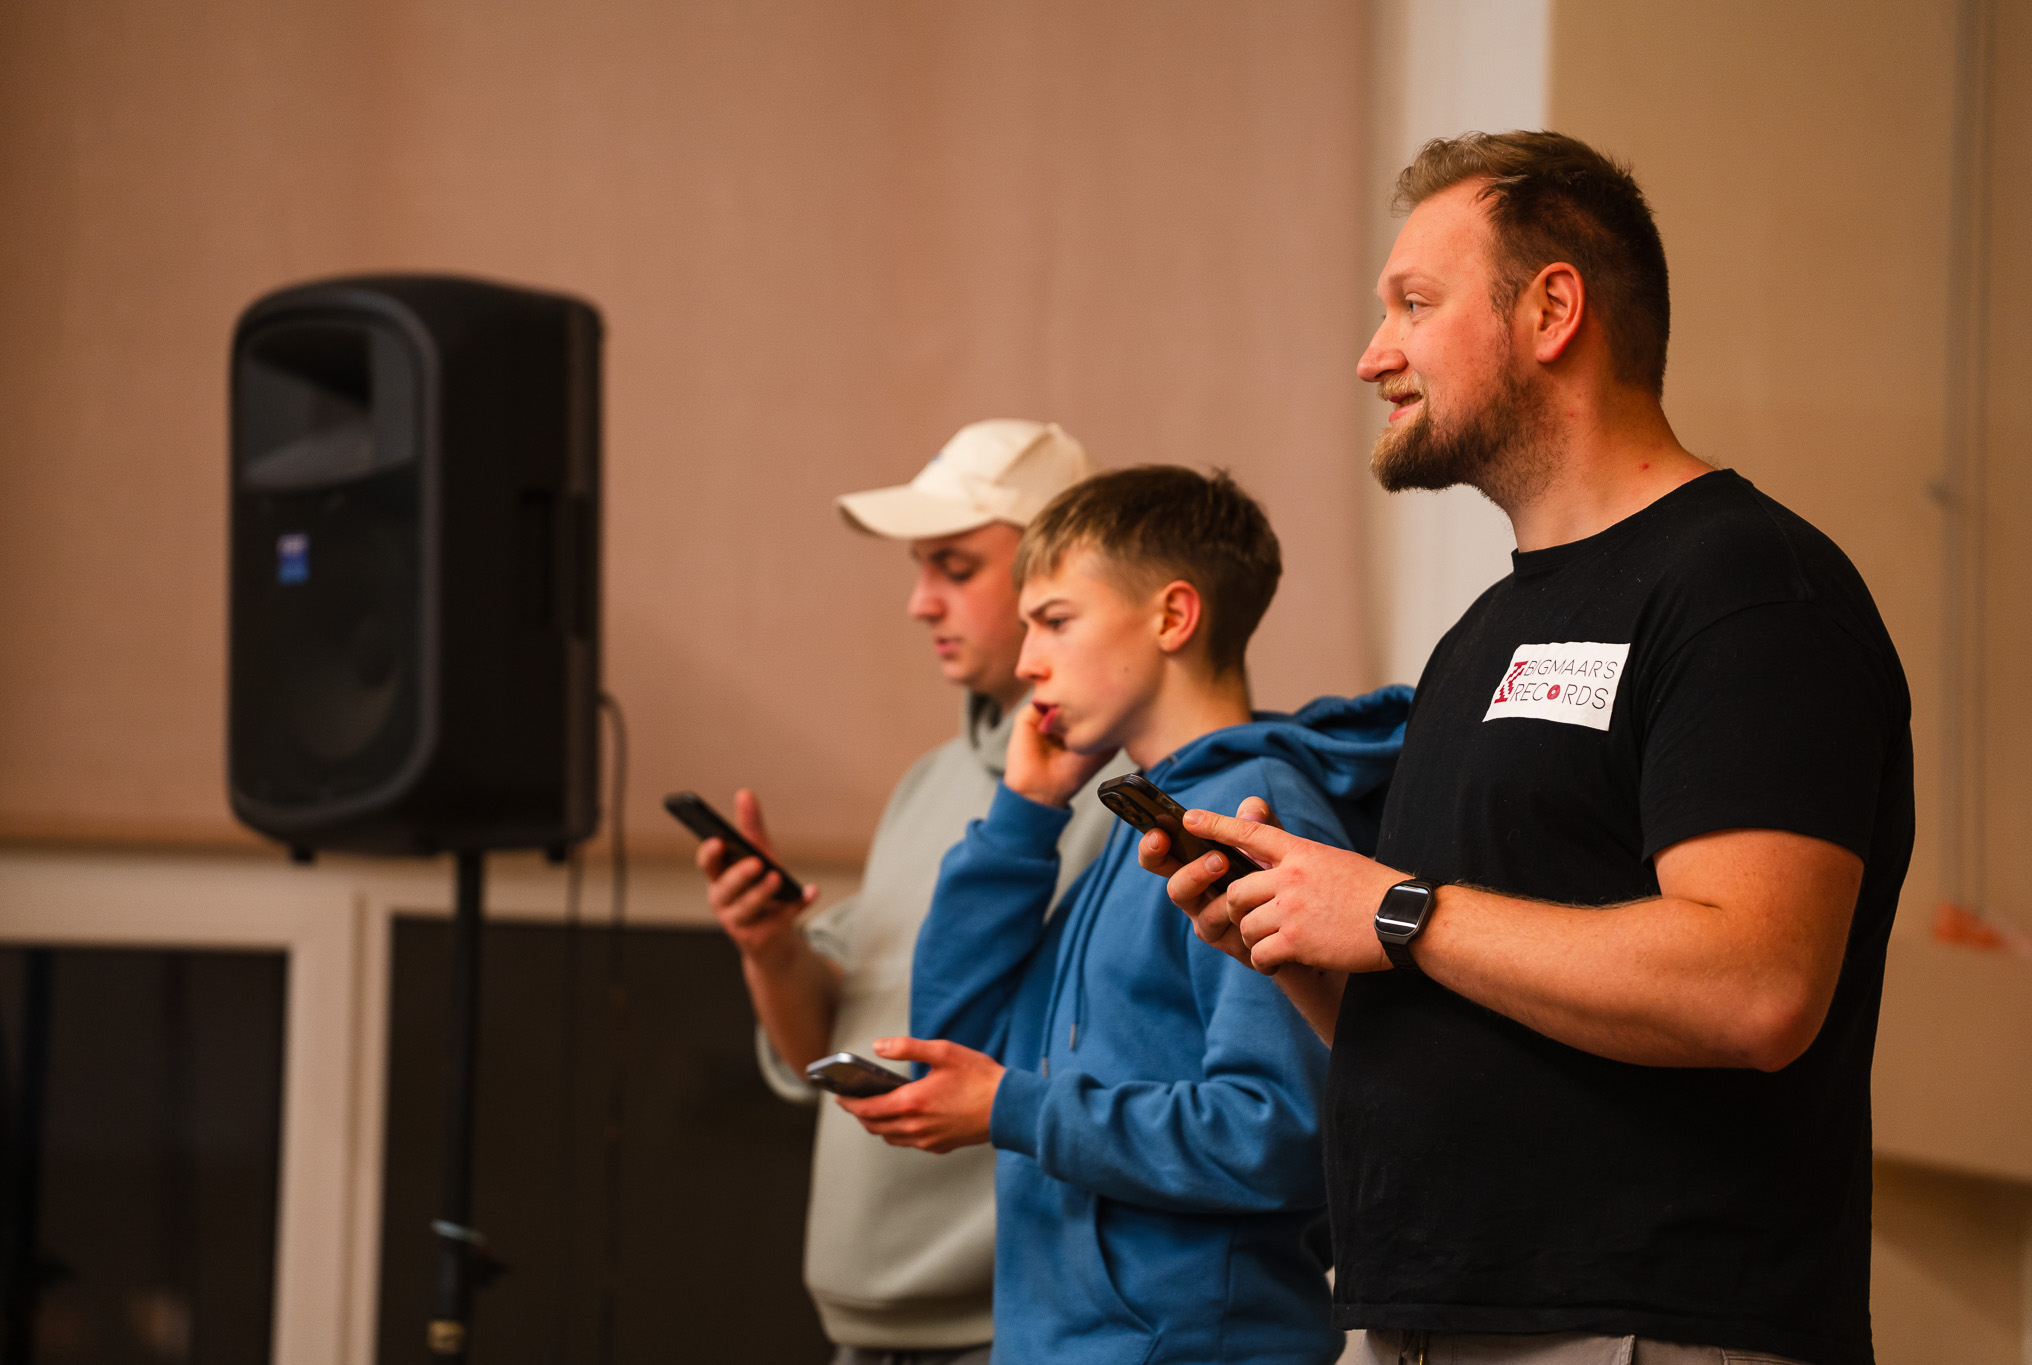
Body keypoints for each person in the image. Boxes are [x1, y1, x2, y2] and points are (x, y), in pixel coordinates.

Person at [1149, 132, 1913, 1365]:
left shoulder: (1748, 591)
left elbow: (1754, 987)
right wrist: (1295, 936)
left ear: (1551, 310)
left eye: (1413, 304)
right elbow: (1461, 1015)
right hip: (1426, 1319)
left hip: (1641, 1327)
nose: (1372, 355)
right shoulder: (1482, 634)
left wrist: (1393, 909)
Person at [835, 466, 1412, 1365]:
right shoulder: (1137, 824)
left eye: (1055, 620)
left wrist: (1017, 1108)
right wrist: (1023, 814)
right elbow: (952, 1042)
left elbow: (1281, 1131)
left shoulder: (1249, 816)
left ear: (1173, 616)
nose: (1026, 662)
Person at [696, 419, 1125, 1365]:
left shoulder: (1125, 799)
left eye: (955, 567)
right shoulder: (928, 782)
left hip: (1012, 1329)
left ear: (1060, 575)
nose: (920, 602)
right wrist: (771, 946)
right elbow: (829, 1045)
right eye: (919, 567)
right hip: (864, 1333)